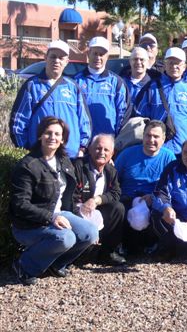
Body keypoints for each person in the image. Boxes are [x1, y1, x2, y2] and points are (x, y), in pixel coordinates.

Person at [10, 117, 99, 285]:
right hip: (29, 224)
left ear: (63, 139)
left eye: (57, 134)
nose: (53, 137)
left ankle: (55, 264)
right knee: (65, 238)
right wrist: (51, 217)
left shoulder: (64, 161)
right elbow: (20, 204)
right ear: (40, 136)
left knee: (90, 232)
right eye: (48, 133)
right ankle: (24, 266)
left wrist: (78, 215)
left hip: (59, 214)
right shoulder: (28, 166)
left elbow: (69, 195)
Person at [10, 40, 91, 158]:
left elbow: (84, 121)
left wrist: (82, 148)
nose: (56, 61)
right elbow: (18, 122)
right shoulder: (32, 86)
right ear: (46, 58)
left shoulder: (73, 87)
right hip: (40, 156)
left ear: (66, 62)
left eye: (61, 58)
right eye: (53, 56)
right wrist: (25, 149)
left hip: (70, 156)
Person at [114, 120, 176, 254]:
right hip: (128, 197)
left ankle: (153, 244)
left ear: (163, 138)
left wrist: (154, 196)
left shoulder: (168, 157)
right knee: (119, 210)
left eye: (156, 136)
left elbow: (172, 185)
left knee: (163, 210)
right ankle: (122, 245)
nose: (151, 140)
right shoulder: (127, 154)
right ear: (143, 136)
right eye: (148, 135)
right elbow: (114, 179)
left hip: (154, 199)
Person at [134, 47, 187, 155]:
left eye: (178, 63)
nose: (174, 66)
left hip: (184, 151)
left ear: (184, 66)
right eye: (171, 63)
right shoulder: (151, 88)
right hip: (157, 150)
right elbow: (139, 118)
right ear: (165, 65)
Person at [73, 134, 126, 265]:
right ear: (90, 150)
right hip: (77, 211)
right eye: (98, 148)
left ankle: (107, 253)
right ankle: (75, 254)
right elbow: (70, 197)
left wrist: (97, 200)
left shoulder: (110, 170)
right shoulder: (77, 167)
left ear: (112, 154)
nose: (102, 152)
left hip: (96, 209)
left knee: (118, 208)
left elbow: (115, 193)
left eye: (106, 150)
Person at [75, 36, 129, 137]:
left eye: (101, 54)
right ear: (88, 54)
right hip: (82, 140)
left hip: (107, 141)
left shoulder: (116, 82)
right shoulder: (76, 81)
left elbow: (122, 113)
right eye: (95, 53)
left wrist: (117, 138)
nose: (98, 58)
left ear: (107, 56)